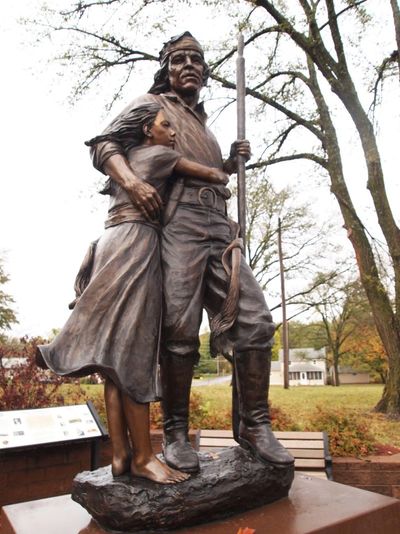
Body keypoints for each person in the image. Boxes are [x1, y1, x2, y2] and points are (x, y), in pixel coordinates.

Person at [89, 32, 294, 474]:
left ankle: (254, 426)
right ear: (165, 66)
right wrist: (133, 182)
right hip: (177, 224)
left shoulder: (202, 123)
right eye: (179, 59)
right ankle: (177, 434)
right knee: (179, 329)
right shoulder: (151, 105)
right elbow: (104, 144)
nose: (189, 65)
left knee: (255, 320)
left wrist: (229, 162)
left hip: (218, 224)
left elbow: (209, 174)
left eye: (196, 59)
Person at [37, 101, 228, 484]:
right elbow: (212, 174)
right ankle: (143, 457)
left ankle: (120, 456)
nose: (174, 133)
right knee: (136, 353)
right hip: (137, 245)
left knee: (113, 360)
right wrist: (232, 164)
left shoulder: (123, 165)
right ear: (147, 130)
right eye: (165, 126)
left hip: (110, 243)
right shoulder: (159, 155)